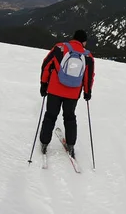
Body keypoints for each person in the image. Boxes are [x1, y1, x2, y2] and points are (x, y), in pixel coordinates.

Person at [38, 29, 95, 158]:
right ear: (84, 42)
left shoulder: (59, 48)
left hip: (54, 90)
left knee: (50, 115)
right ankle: (70, 145)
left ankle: (44, 142)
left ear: (73, 38)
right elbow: (89, 76)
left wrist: (43, 84)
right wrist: (87, 92)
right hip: (73, 93)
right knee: (69, 117)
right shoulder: (87, 56)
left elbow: (46, 65)